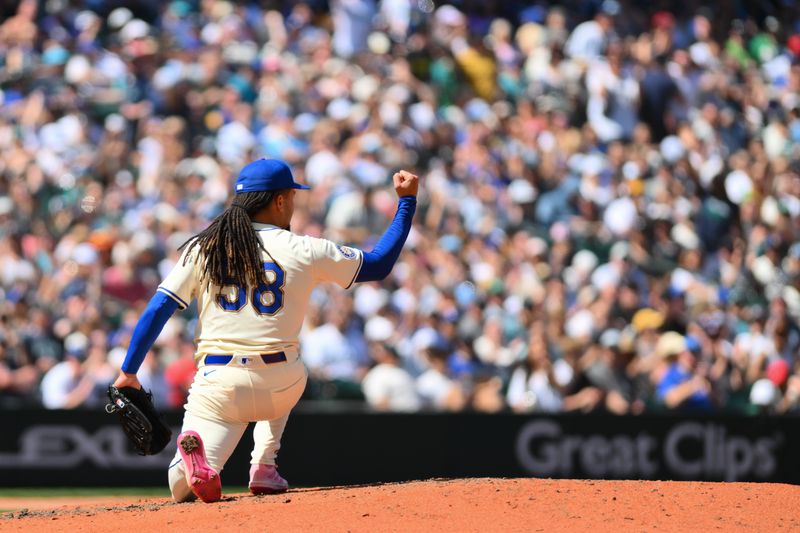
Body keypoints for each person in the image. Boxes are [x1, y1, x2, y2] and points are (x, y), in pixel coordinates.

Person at [111, 159, 418, 503]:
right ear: (281, 200)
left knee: (180, 489)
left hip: (219, 384)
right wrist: (407, 202)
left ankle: (196, 464)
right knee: (293, 359)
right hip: (280, 379)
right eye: (292, 195)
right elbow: (379, 264)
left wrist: (129, 371)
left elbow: (157, 309)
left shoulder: (204, 247)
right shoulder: (305, 248)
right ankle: (264, 465)